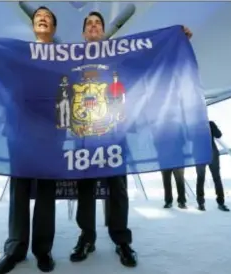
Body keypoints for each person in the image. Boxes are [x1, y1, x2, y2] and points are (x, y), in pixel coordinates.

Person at [0, 6, 58, 274]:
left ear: (54, 28)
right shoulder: (17, 53)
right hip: (20, 129)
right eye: (39, 15)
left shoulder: (65, 56)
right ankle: (15, 249)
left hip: (51, 132)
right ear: (33, 24)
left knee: (46, 195)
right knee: (19, 193)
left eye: (48, 17)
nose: (42, 18)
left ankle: (43, 250)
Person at [68, 12, 137, 268]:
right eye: (89, 24)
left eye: (98, 23)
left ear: (104, 30)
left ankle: (121, 241)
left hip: (114, 132)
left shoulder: (118, 57)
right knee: (85, 188)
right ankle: (87, 238)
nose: (94, 26)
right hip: (84, 134)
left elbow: (145, 63)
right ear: (84, 33)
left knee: (118, 188)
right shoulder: (72, 59)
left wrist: (177, 39)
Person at [196, 121, 230, 212]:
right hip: (205, 154)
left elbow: (218, 135)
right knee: (208, 178)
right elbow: (218, 135)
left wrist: (211, 126)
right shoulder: (201, 124)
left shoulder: (205, 124)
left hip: (206, 154)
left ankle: (205, 204)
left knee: (208, 178)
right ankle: (206, 203)